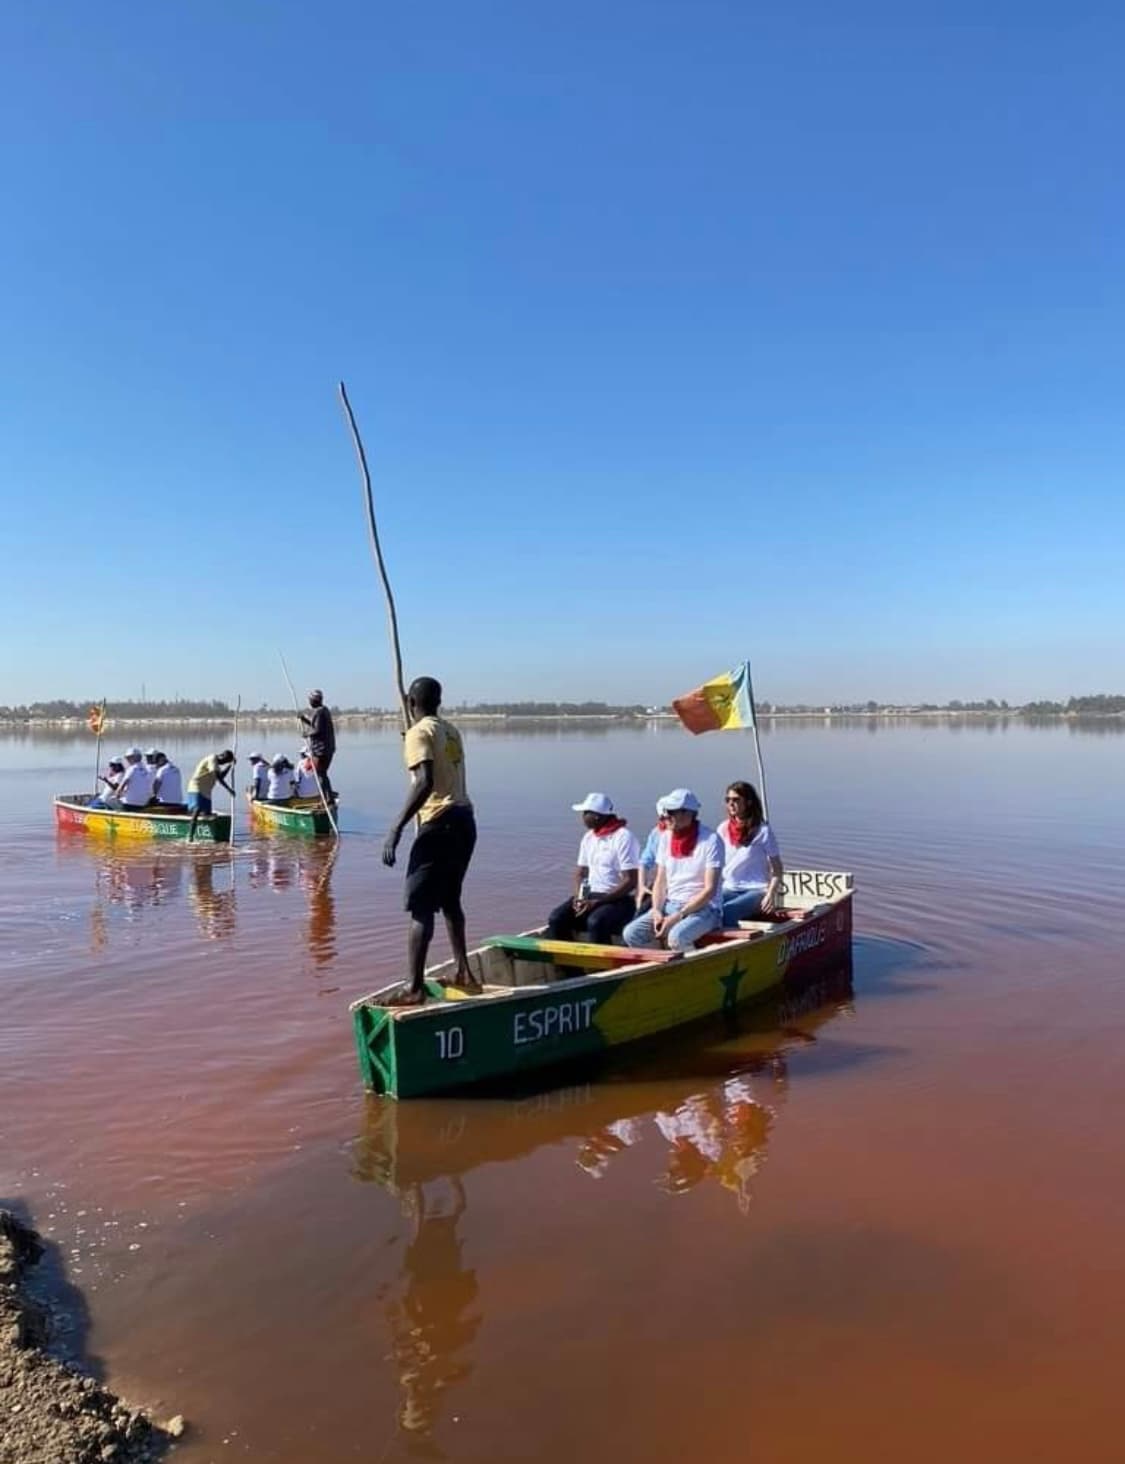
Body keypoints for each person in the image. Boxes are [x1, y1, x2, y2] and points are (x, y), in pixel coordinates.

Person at [382, 676, 477, 1004]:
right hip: (465, 822)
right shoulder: (450, 731)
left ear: (411, 702)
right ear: (438, 701)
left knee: (421, 907)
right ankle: (463, 970)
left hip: (440, 824)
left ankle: (414, 987)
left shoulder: (419, 733)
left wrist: (396, 826)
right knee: (450, 900)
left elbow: (424, 781)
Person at [622, 789, 724, 952]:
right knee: (631, 934)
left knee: (677, 938)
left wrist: (678, 916)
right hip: (670, 904)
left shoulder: (711, 840)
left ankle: (694, 973)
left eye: (670, 812)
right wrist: (656, 910)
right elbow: (660, 881)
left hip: (705, 909)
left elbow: (709, 890)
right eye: (664, 812)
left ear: (687, 814)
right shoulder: (665, 838)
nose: (665, 817)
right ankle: (664, 967)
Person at [546, 793, 640, 945]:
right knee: (556, 919)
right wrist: (578, 898)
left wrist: (599, 902)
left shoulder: (624, 837)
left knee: (596, 922)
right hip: (590, 896)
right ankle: (570, 967)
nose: (582, 817)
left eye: (585, 813)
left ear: (597, 816)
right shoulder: (589, 838)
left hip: (617, 899)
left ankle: (603, 967)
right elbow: (580, 872)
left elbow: (630, 881)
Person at [719, 781, 784, 927]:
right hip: (729, 887)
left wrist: (770, 895)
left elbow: (778, 869)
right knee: (709, 907)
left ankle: (732, 946)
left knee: (729, 910)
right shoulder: (723, 829)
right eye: (728, 800)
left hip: (756, 889)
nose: (731, 804)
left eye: (736, 800)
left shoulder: (763, 831)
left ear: (748, 802)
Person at [186, 749, 237, 840]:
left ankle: (206, 833)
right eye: (224, 761)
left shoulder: (216, 765)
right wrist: (229, 790)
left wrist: (230, 766)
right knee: (197, 810)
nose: (223, 763)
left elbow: (221, 776)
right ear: (222, 756)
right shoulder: (212, 759)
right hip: (196, 787)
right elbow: (218, 778)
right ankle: (190, 836)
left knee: (207, 813)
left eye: (226, 762)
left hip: (207, 791)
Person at [299, 690, 336, 801]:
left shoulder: (318, 712)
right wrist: (304, 720)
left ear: (315, 700)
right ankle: (327, 797)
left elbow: (317, 730)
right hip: (328, 749)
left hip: (321, 750)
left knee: (320, 774)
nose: (309, 702)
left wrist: (306, 734)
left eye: (310, 700)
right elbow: (316, 726)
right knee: (322, 774)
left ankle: (327, 799)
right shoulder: (324, 710)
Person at [636, 800, 669, 912]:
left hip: (679, 886)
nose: (667, 821)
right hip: (659, 883)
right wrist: (642, 886)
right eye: (663, 818)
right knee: (641, 909)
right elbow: (644, 862)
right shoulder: (656, 833)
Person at [110, 747, 154, 811]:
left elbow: (122, 785)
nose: (127, 760)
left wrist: (116, 795)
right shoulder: (147, 769)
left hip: (130, 803)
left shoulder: (132, 769)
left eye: (128, 758)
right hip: (144, 802)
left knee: (110, 801)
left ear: (133, 758)